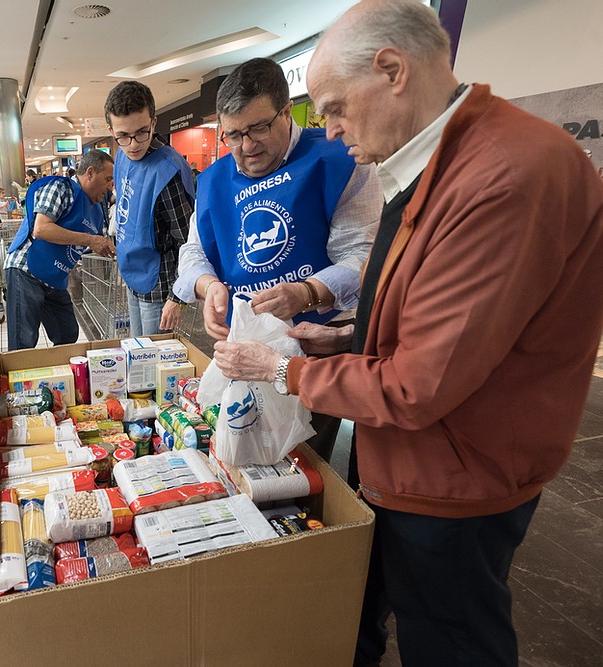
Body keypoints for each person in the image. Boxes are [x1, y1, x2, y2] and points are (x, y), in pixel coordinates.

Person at [211, 2, 603, 665]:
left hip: (456, 478)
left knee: (449, 638)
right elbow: (418, 316)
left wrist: (280, 370)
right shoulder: (433, 160)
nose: (330, 132)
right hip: (410, 459)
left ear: (392, 70)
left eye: (333, 108)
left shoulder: (502, 176)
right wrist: (335, 340)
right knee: (369, 609)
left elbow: (420, 383)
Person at [173, 56, 382, 462]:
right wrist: (208, 285)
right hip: (244, 343)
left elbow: (362, 254)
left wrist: (308, 292)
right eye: (232, 135)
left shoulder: (338, 159)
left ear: (287, 111)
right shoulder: (215, 180)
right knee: (242, 448)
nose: (245, 147)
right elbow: (194, 250)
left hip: (316, 342)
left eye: (259, 128)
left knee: (304, 460)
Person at [105, 80, 195, 337]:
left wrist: (177, 297)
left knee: (152, 357)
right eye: (123, 135)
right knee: (135, 348)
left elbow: (187, 240)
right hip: (132, 271)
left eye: (142, 132)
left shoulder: (169, 171)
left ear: (154, 123)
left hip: (159, 281)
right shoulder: (122, 156)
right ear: (111, 130)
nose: (133, 144)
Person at [3, 149, 115, 351]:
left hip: (55, 276)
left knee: (67, 333)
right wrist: (91, 239)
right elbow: (41, 228)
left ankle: (58, 379)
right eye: (107, 179)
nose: (110, 186)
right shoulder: (60, 188)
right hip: (26, 268)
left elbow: (87, 242)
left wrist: (103, 245)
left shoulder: (97, 209)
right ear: (90, 173)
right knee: (23, 342)